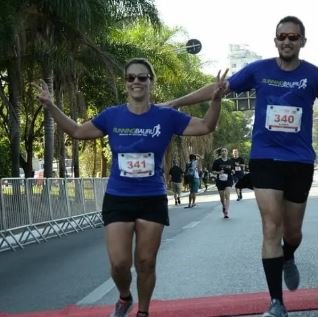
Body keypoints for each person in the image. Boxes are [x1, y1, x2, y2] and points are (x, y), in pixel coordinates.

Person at [33, 57, 227, 317]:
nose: (136, 82)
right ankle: (124, 297)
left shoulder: (166, 116)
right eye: (131, 77)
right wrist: (51, 106)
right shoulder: (112, 116)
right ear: (125, 83)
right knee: (119, 263)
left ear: (151, 82)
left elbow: (206, 126)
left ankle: (143, 312)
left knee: (146, 262)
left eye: (142, 77)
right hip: (118, 197)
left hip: (152, 198)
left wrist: (216, 101)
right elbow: (78, 132)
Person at [166, 16, 318, 317]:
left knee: (294, 232)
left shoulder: (313, 75)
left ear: (302, 41)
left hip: (299, 161)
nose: (287, 41)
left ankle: (288, 256)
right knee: (271, 226)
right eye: (282, 36)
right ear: (275, 41)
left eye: (293, 36)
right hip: (265, 158)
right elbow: (217, 87)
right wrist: (173, 104)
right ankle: (276, 302)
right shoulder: (259, 70)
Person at [212, 147, 234, 218]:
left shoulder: (230, 161)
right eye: (222, 151)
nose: (224, 152)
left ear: (227, 152)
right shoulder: (217, 161)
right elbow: (213, 171)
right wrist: (219, 172)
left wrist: (233, 171)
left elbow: (233, 170)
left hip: (229, 179)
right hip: (220, 181)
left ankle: (226, 211)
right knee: (222, 198)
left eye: (225, 151)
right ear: (221, 153)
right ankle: (224, 206)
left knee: (227, 195)